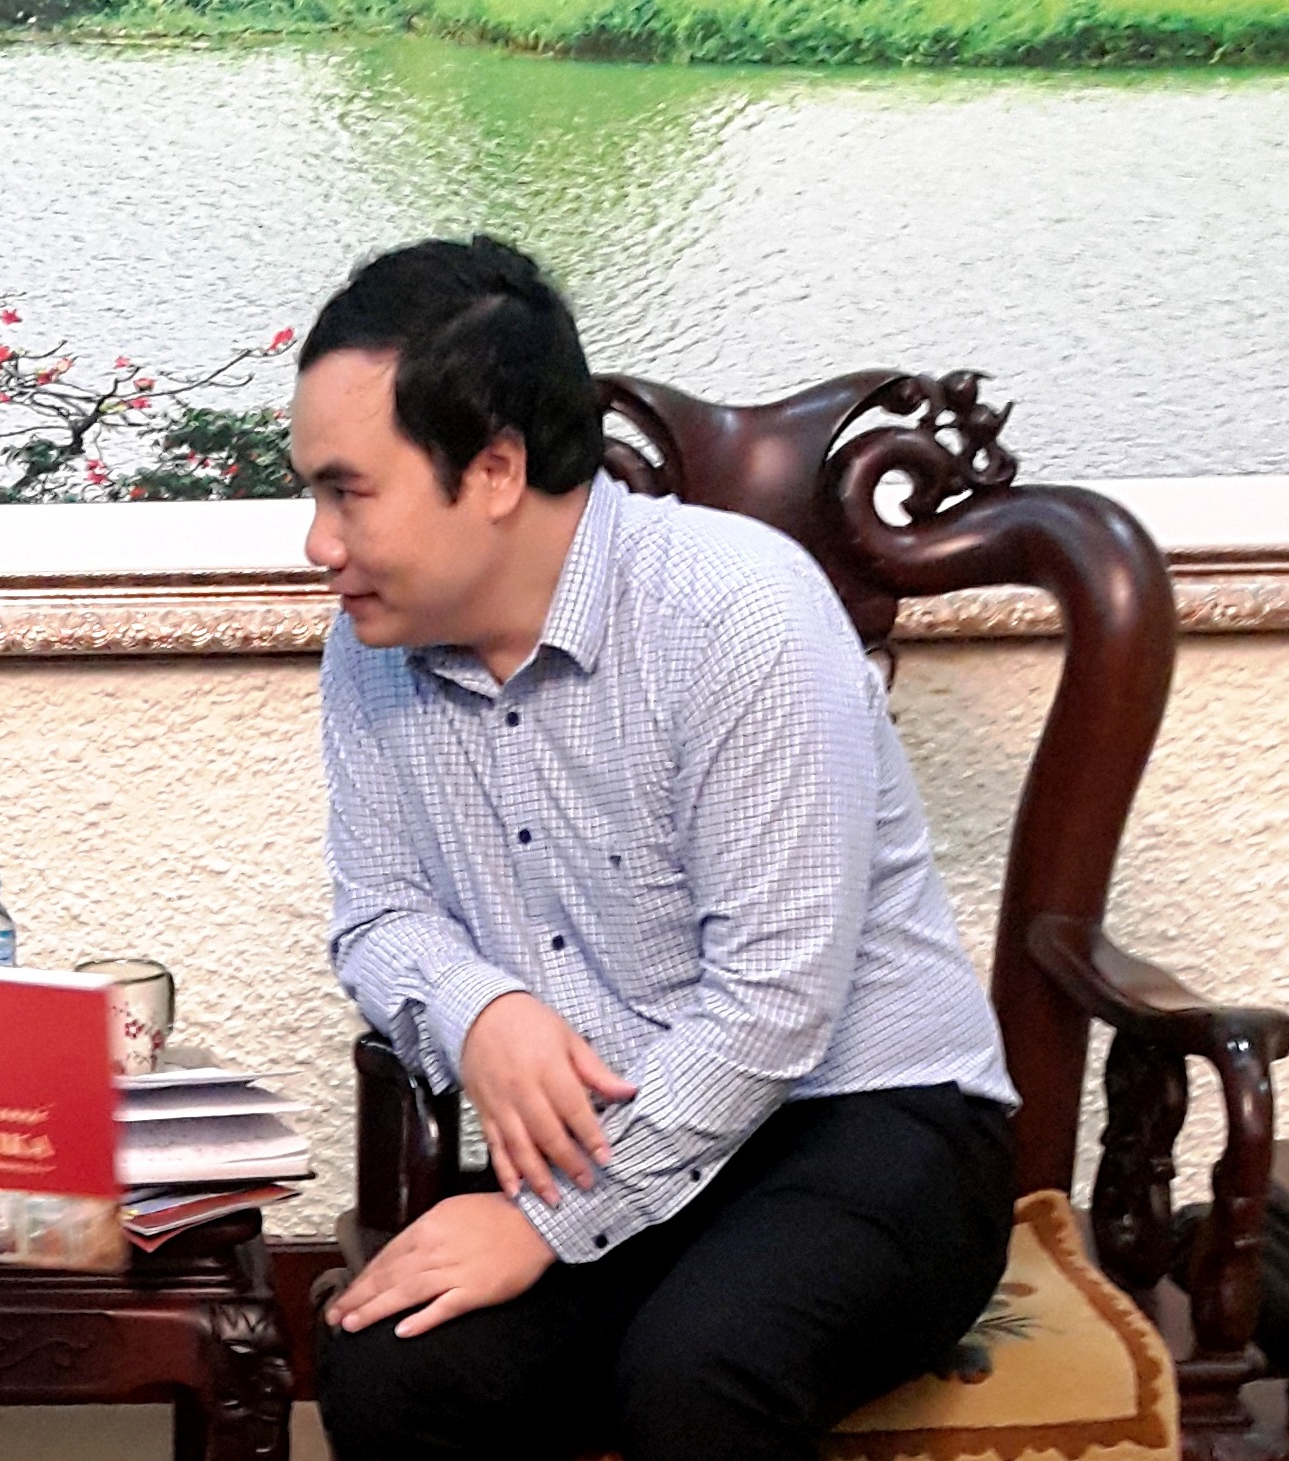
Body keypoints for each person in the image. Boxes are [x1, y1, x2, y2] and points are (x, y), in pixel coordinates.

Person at [300, 238, 1019, 1461]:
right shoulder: (368, 649)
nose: (319, 543)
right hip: (624, 1130)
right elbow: (379, 911)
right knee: (389, 1364)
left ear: (494, 468)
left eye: (348, 493)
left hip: (867, 1120)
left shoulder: (737, 610)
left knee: (700, 1374)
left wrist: (541, 1223)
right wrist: (480, 1010)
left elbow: (775, 1003)